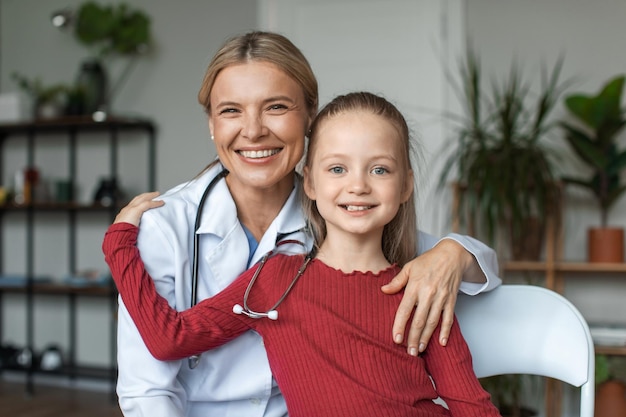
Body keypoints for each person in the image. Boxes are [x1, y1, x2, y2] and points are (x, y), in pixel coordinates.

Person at [113, 31, 501, 417]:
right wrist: (118, 246)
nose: (253, 130)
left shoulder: (348, 214)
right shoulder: (169, 226)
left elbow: (471, 398)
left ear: (309, 116)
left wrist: (453, 254)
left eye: (276, 107)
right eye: (231, 110)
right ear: (212, 123)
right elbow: (150, 383)